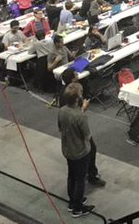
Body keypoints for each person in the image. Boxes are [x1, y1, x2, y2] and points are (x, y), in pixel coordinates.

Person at [58, 82, 97, 216]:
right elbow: (87, 135)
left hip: (67, 149)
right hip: (80, 152)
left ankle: (72, 201)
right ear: (77, 98)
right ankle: (78, 208)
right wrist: (83, 110)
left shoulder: (62, 110)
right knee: (80, 179)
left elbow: (60, 128)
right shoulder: (79, 116)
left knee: (71, 175)